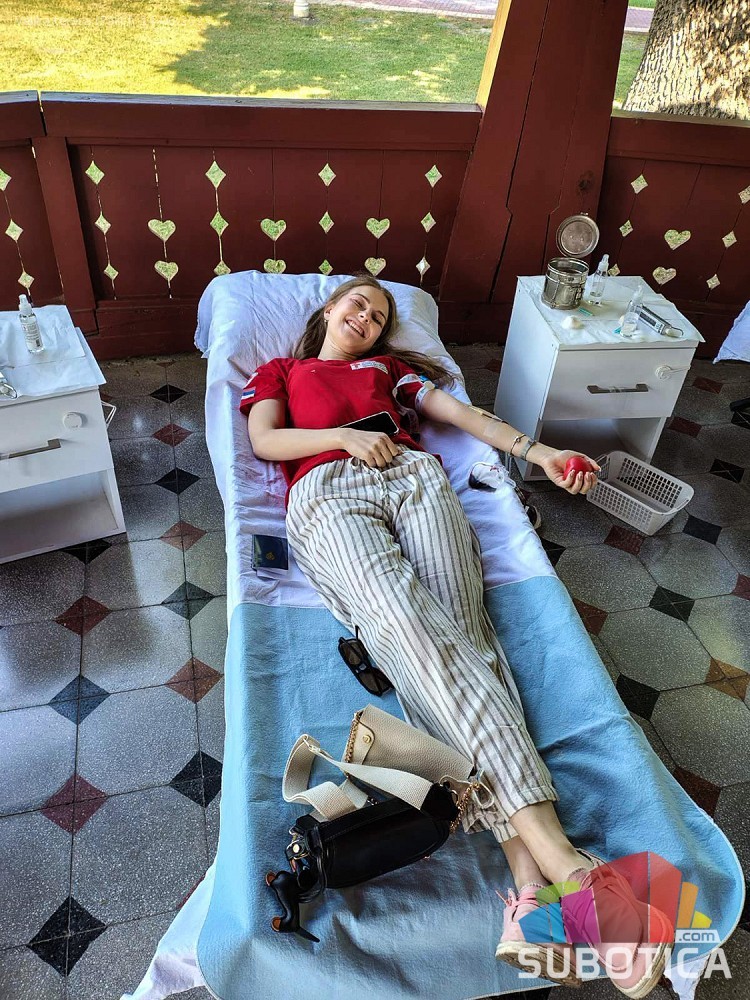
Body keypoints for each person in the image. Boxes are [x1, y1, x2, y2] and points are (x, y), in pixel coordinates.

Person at [242, 275, 672, 998]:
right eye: (356, 303)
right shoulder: (282, 371)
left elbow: (463, 415)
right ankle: (566, 864)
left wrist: (539, 454)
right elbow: (265, 439)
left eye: (378, 315)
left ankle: (527, 890)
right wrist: (345, 437)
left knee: (468, 643)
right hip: (325, 491)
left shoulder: (390, 373)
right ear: (328, 308)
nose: (366, 316)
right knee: (410, 633)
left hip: (416, 481)